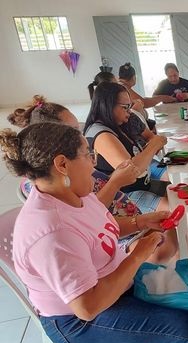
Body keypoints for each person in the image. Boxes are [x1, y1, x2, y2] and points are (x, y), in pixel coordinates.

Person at [1, 122, 188, 343]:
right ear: (62, 164)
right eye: (87, 154)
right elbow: (87, 307)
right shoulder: (51, 231)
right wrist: (138, 255)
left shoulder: (75, 195)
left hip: (112, 284)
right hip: (78, 323)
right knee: (186, 327)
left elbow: (102, 225)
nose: (94, 162)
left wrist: (140, 222)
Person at [8, 96, 177, 262]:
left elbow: (94, 218)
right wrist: (115, 182)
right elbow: (89, 218)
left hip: (120, 223)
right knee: (170, 237)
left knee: (174, 222)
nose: (79, 135)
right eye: (72, 130)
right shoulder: (51, 196)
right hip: (114, 238)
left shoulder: (71, 170)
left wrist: (139, 222)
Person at [84, 82, 170, 211]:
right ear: (107, 106)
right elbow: (131, 172)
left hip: (141, 184)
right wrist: (153, 145)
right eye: (125, 107)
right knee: (173, 208)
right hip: (122, 195)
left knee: (178, 185)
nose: (129, 111)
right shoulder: (101, 134)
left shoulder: (119, 124)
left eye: (129, 106)